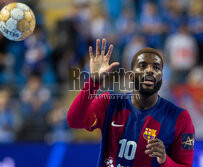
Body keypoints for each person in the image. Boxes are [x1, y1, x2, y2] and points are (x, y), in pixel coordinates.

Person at [67, 38, 195, 167]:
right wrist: (93, 82)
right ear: (131, 75)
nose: (150, 70)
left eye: (156, 67)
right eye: (143, 65)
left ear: (161, 77)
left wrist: (164, 160)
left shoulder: (180, 118)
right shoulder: (110, 102)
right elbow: (74, 121)